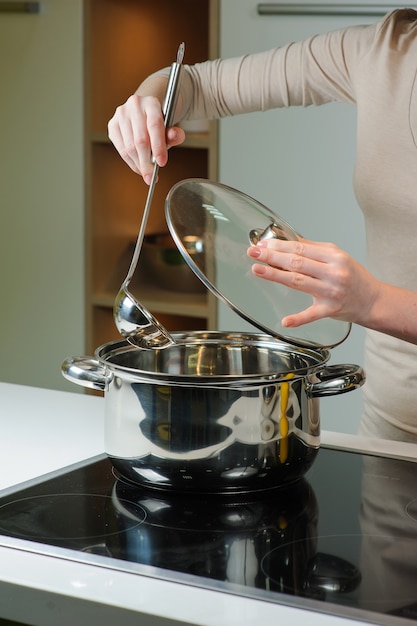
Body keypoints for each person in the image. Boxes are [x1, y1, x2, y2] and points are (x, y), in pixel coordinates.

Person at [108, 8, 417, 444]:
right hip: (390, 427)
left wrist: (374, 302)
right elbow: (196, 86)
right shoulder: (384, 51)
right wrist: (146, 106)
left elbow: (373, 302)